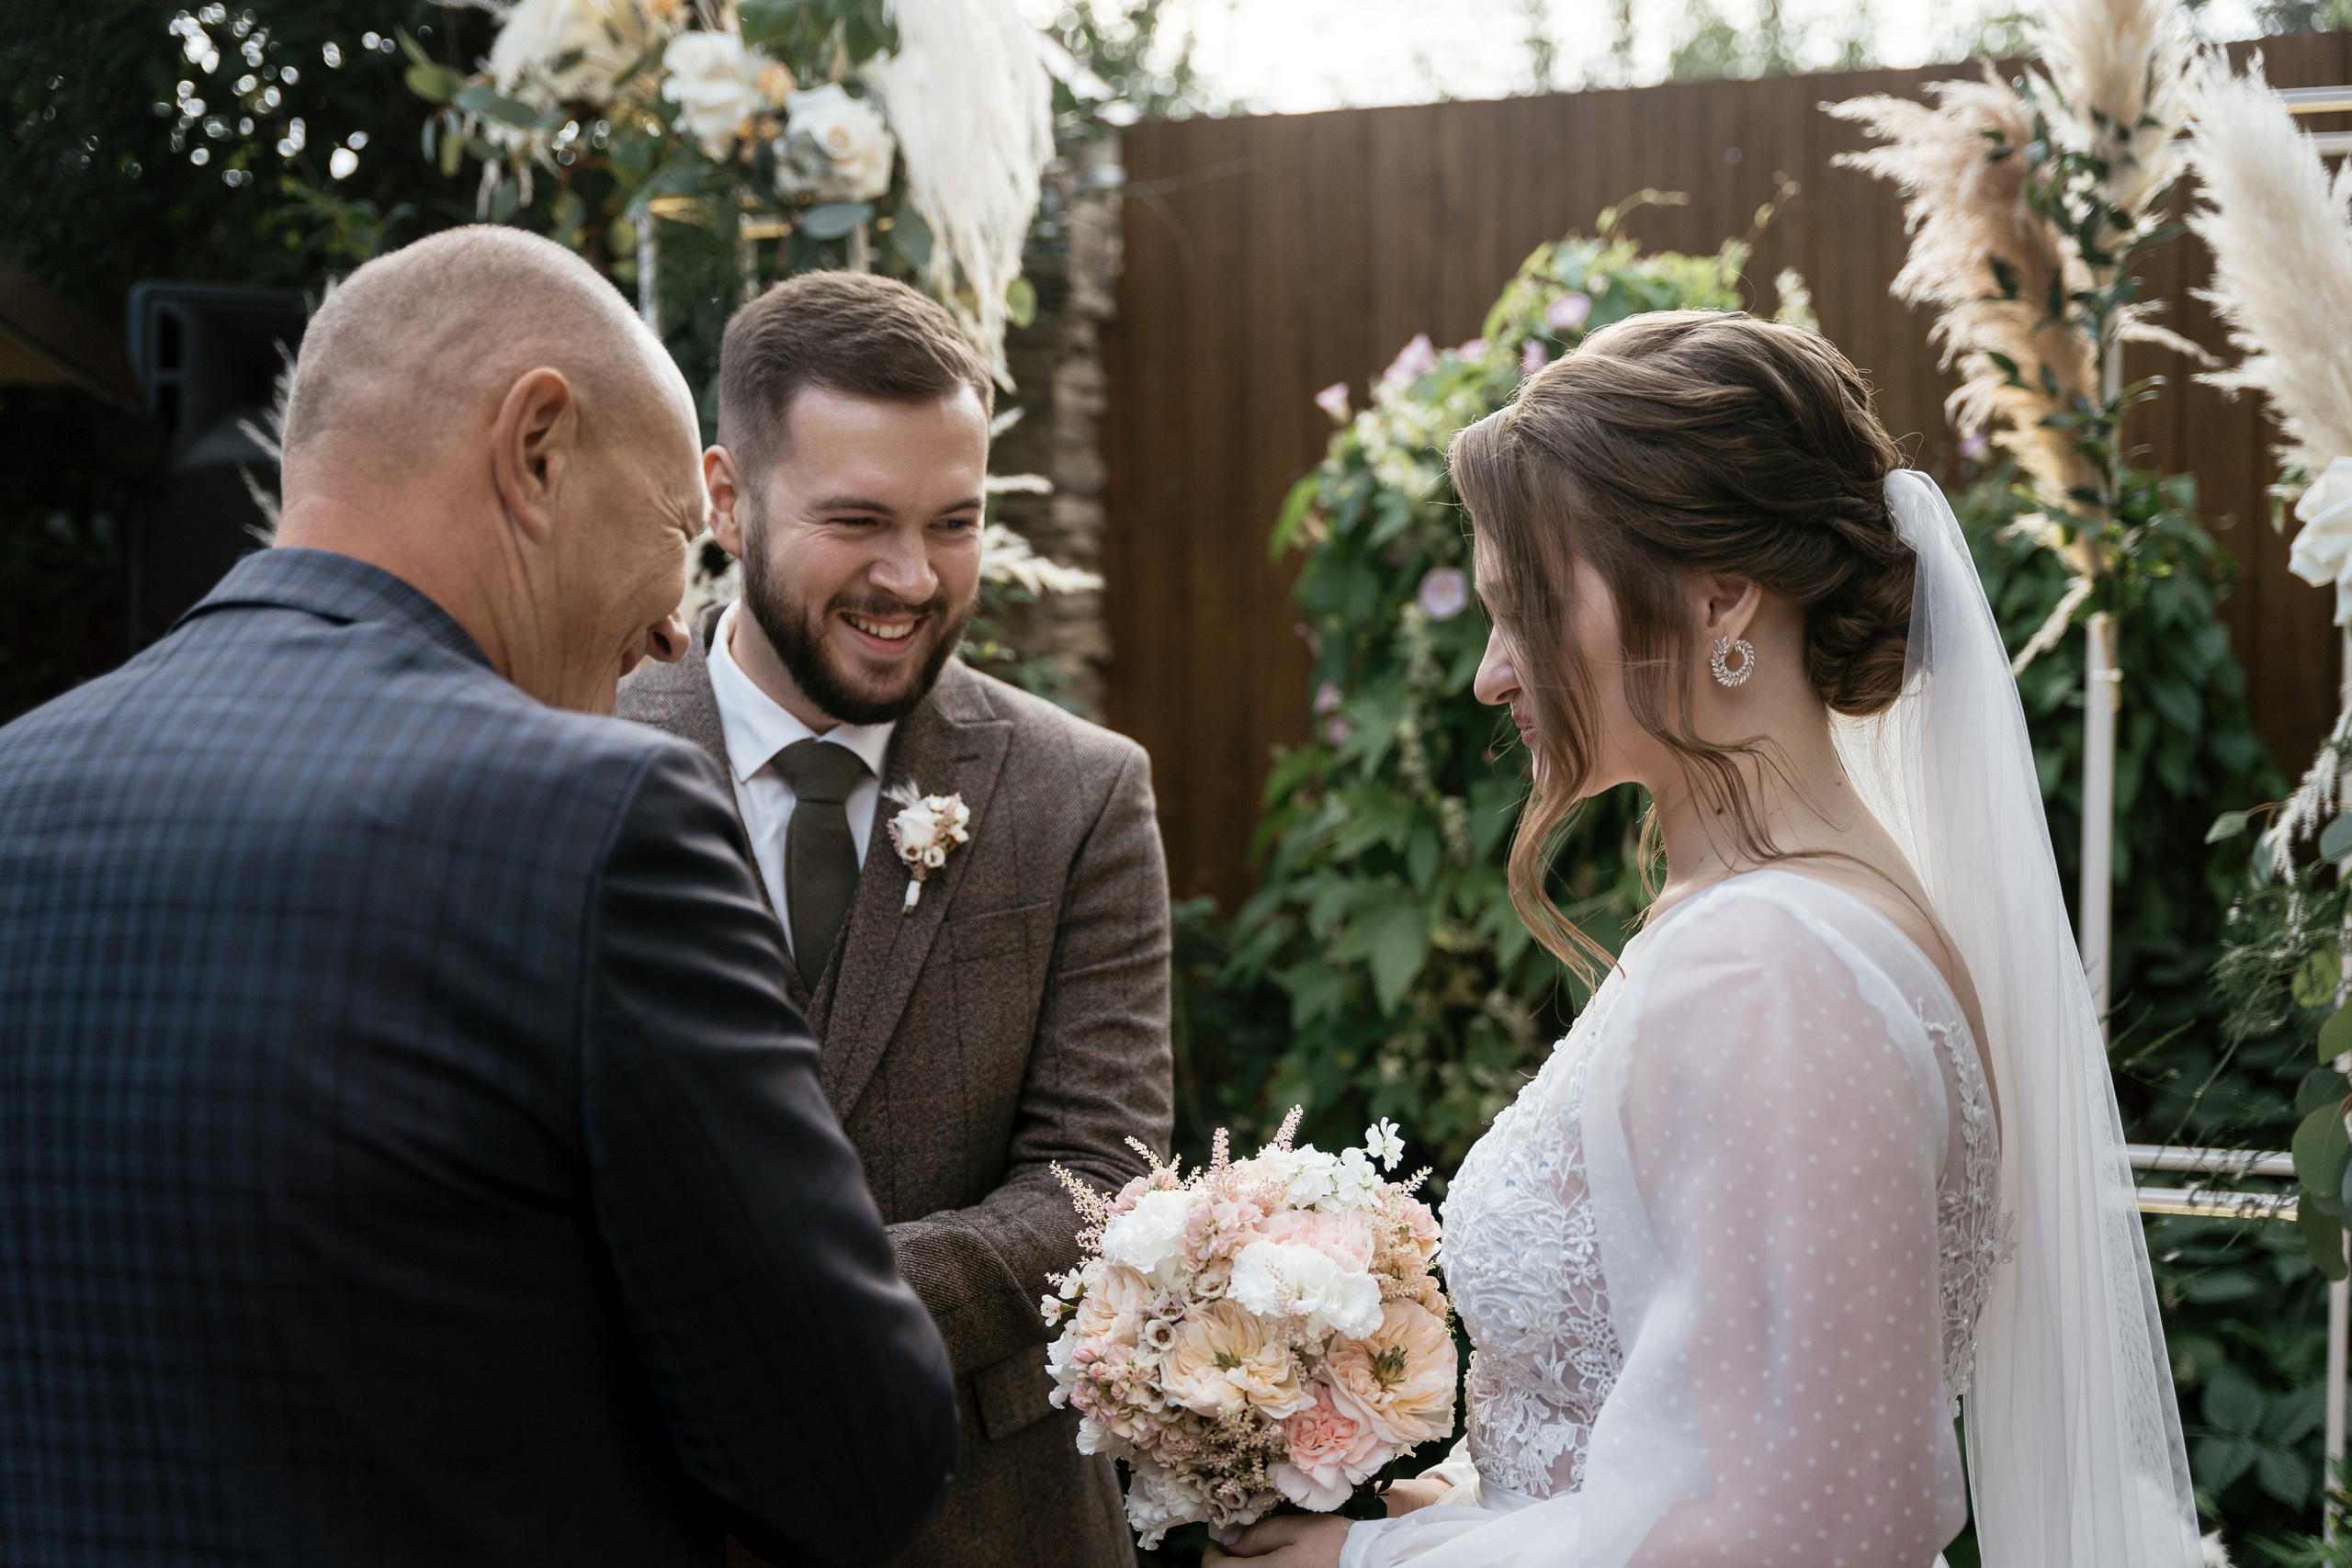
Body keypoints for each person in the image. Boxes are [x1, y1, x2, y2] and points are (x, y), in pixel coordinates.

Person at [0, 227, 958, 1567]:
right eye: (681, 536)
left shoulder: (15, 783)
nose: (681, 628)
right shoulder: (598, 822)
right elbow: (861, 1456)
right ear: (538, 450)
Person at [1208, 312, 2202, 1568]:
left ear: (1723, 596)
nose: (1490, 674)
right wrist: (1453, 1505)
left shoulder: (1770, 970)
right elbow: (1687, 1438)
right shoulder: (1801, 916)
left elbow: (1814, 1532)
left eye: (1524, 610)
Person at [616, 269, 1173, 1568]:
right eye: (858, 520)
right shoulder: (569, 744)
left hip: (984, 1515)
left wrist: (782, 1299)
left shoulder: (1080, 792)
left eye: (956, 522)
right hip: (642, 1505)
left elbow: (1101, 1179)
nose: (912, 578)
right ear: (726, 497)